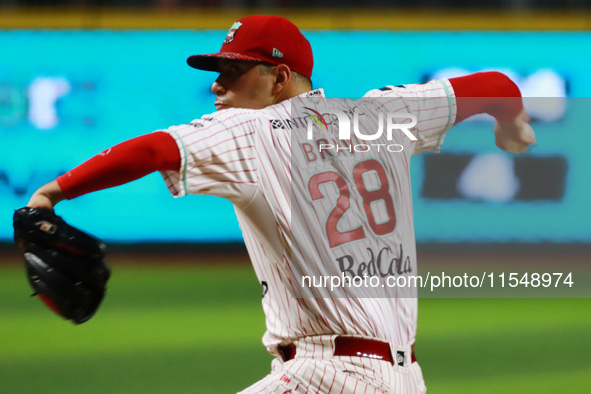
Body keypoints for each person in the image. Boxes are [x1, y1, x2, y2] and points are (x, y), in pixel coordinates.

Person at [25, 15, 536, 394]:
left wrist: (51, 194)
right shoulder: (384, 113)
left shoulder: (252, 128)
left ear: (279, 78)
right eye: (219, 69)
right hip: (402, 379)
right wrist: (513, 126)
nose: (217, 84)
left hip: (327, 374)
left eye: (235, 70)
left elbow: (153, 149)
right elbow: (497, 86)